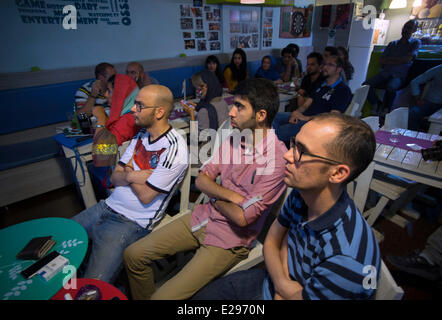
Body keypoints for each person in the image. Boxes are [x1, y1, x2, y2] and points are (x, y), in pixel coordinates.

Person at [123, 78, 288, 300]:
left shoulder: (276, 159)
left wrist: (215, 197)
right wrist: (229, 196)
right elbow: (201, 180)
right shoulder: (234, 138)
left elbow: (242, 218)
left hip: (230, 240)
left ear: (260, 115)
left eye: (239, 107)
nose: (231, 112)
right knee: (133, 255)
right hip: (204, 215)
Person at [193, 113, 381, 300]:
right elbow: (272, 241)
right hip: (271, 281)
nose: (287, 155)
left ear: (338, 173)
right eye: (294, 143)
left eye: (302, 150)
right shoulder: (303, 194)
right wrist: (283, 286)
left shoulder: (347, 263)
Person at [71, 85, 189, 284]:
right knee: (57, 244)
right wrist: (138, 175)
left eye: (139, 105)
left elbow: (146, 196)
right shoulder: (141, 135)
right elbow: (114, 178)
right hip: (106, 206)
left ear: (159, 112)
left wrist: (128, 172)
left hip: (130, 222)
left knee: (92, 286)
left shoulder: (174, 148)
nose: (132, 109)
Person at [272, 54, 352, 143]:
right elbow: (306, 105)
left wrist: (305, 118)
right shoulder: (321, 85)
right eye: (324, 64)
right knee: (269, 117)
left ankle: (265, 150)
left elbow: (333, 117)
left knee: (277, 132)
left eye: (330, 65)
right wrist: (297, 112)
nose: (325, 67)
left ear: (339, 69)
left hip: (316, 124)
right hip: (303, 117)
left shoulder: (343, 90)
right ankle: (263, 150)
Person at [364, 20, 420, 115]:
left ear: (414, 30)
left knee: (391, 87)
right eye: (405, 27)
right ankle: (377, 103)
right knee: (366, 85)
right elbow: (382, 60)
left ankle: (386, 110)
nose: (406, 30)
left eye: (410, 28)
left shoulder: (415, 43)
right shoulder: (392, 44)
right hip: (385, 73)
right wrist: (400, 60)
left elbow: (408, 59)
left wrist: (391, 60)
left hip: (399, 75)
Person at [93, 74, 141, 146]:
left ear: (119, 95)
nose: (105, 94)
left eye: (109, 91)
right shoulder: (132, 113)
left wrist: (101, 118)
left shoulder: (128, 119)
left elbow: (102, 149)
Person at [408, 64, 442, 132]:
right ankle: (417, 137)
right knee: (412, 114)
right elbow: (415, 82)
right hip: (431, 102)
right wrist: (417, 99)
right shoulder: (439, 69)